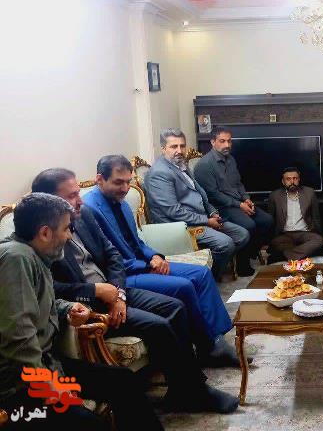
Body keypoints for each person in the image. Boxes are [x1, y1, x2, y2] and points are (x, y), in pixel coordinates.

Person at [31, 170, 239, 414]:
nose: (80, 200)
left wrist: (118, 294)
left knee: (175, 306)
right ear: (49, 201)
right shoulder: (40, 237)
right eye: (72, 196)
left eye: (78, 193)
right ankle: (195, 393)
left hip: (115, 289)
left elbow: (112, 255)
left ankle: (183, 389)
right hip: (90, 304)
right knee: (159, 326)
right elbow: (50, 288)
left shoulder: (83, 214)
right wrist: (95, 290)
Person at [0, 193, 164, 430]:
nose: (69, 236)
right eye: (66, 229)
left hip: (48, 365)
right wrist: (48, 386)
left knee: (123, 381)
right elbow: (17, 336)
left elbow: (37, 302)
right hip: (19, 384)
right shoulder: (17, 259)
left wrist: (68, 308)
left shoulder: (32, 254)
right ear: (45, 233)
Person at [80, 155, 241, 368]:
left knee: (201, 274)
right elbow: (108, 259)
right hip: (124, 276)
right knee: (184, 286)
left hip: (141, 264)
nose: (126, 188)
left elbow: (137, 242)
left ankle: (214, 341)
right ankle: (208, 346)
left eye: (128, 182)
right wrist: (148, 265)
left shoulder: (121, 202)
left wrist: (154, 256)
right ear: (100, 179)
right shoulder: (89, 209)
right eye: (119, 182)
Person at [144, 129, 250, 279]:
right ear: (163, 148)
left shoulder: (180, 164)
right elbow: (173, 211)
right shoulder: (159, 173)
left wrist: (212, 212)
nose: (179, 151)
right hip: (179, 226)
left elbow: (200, 193)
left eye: (182, 146)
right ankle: (207, 278)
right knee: (225, 244)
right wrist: (206, 221)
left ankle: (210, 270)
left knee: (242, 234)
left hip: (200, 217)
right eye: (174, 146)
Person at [193, 126, 274, 273]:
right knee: (249, 225)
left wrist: (246, 199)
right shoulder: (204, 165)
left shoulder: (231, 159)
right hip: (221, 207)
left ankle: (250, 251)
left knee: (267, 220)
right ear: (213, 142)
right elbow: (213, 195)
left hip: (238, 203)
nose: (227, 145)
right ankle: (242, 265)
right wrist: (239, 205)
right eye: (222, 141)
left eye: (229, 141)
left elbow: (238, 184)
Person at [266, 167, 323, 263]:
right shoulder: (274, 195)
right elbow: (270, 219)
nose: (292, 182)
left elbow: (316, 217)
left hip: (305, 233)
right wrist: (270, 239)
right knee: (276, 243)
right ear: (283, 181)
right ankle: (303, 252)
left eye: (295, 178)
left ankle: (283, 255)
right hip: (285, 235)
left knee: (318, 240)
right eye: (288, 179)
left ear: (299, 179)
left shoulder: (309, 193)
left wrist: (320, 235)